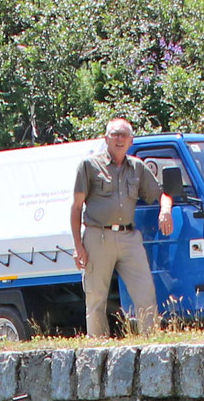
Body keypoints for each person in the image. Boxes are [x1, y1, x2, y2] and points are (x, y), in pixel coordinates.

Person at [70, 118, 173, 337]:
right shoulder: (89, 165)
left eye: (124, 135)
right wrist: (78, 245)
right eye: (115, 134)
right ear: (106, 138)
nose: (119, 139)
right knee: (96, 298)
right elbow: (77, 206)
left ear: (131, 140)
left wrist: (165, 210)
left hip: (129, 236)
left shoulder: (137, 167)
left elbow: (162, 194)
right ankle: (97, 349)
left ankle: (150, 343)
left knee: (145, 292)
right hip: (98, 236)